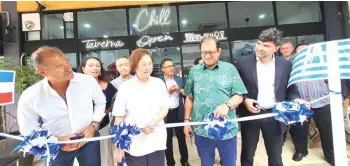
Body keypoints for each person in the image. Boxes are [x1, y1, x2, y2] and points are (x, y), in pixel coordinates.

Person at [17, 46, 106, 166]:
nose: (68, 67)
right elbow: (28, 129)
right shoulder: (31, 95)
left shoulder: (87, 81)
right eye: (60, 66)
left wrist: (93, 125)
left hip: (89, 139)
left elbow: (100, 102)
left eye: (67, 61)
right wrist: (56, 141)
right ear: (42, 72)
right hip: (56, 147)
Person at [235, 28, 302, 166]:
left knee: (275, 155)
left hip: (275, 114)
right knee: (247, 154)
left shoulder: (285, 65)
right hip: (251, 113)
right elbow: (236, 88)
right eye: (259, 43)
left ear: (276, 48)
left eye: (266, 45)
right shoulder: (243, 63)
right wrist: (246, 99)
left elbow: (291, 88)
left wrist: (296, 99)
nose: (260, 48)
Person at [183, 37, 247, 166]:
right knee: (206, 162)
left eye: (210, 52)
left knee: (229, 163)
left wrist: (227, 105)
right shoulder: (194, 71)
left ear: (218, 51)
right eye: (203, 52)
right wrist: (186, 122)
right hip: (202, 129)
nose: (207, 56)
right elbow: (189, 97)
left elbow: (239, 95)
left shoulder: (230, 69)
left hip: (226, 129)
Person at [112, 48, 169, 166]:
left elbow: (165, 108)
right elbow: (119, 118)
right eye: (143, 64)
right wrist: (118, 147)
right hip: (134, 142)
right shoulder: (125, 87)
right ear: (134, 66)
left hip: (156, 138)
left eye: (150, 64)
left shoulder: (159, 83)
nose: (147, 67)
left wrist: (153, 122)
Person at [291, 43, 335, 165]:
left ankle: (331, 155)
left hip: (322, 102)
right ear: (296, 55)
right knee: (300, 130)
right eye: (300, 52)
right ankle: (301, 151)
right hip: (301, 104)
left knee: (327, 130)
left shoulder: (321, 64)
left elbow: (333, 80)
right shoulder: (292, 67)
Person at [78, 57, 117, 166]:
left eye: (97, 65)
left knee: (105, 156)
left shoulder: (107, 85)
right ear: (83, 69)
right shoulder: (75, 86)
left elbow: (114, 103)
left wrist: (105, 112)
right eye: (91, 65)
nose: (95, 68)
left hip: (103, 127)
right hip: (82, 129)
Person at [159, 58, 190, 166]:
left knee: (181, 138)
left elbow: (187, 94)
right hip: (165, 114)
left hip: (178, 112)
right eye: (168, 66)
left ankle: (184, 160)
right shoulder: (158, 81)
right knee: (167, 140)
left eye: (172, 65)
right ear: (163, 69)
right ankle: (170, 162)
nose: (172, 68)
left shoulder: (179, 79)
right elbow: (156, 98)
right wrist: (168, 92)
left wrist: (183, 92)